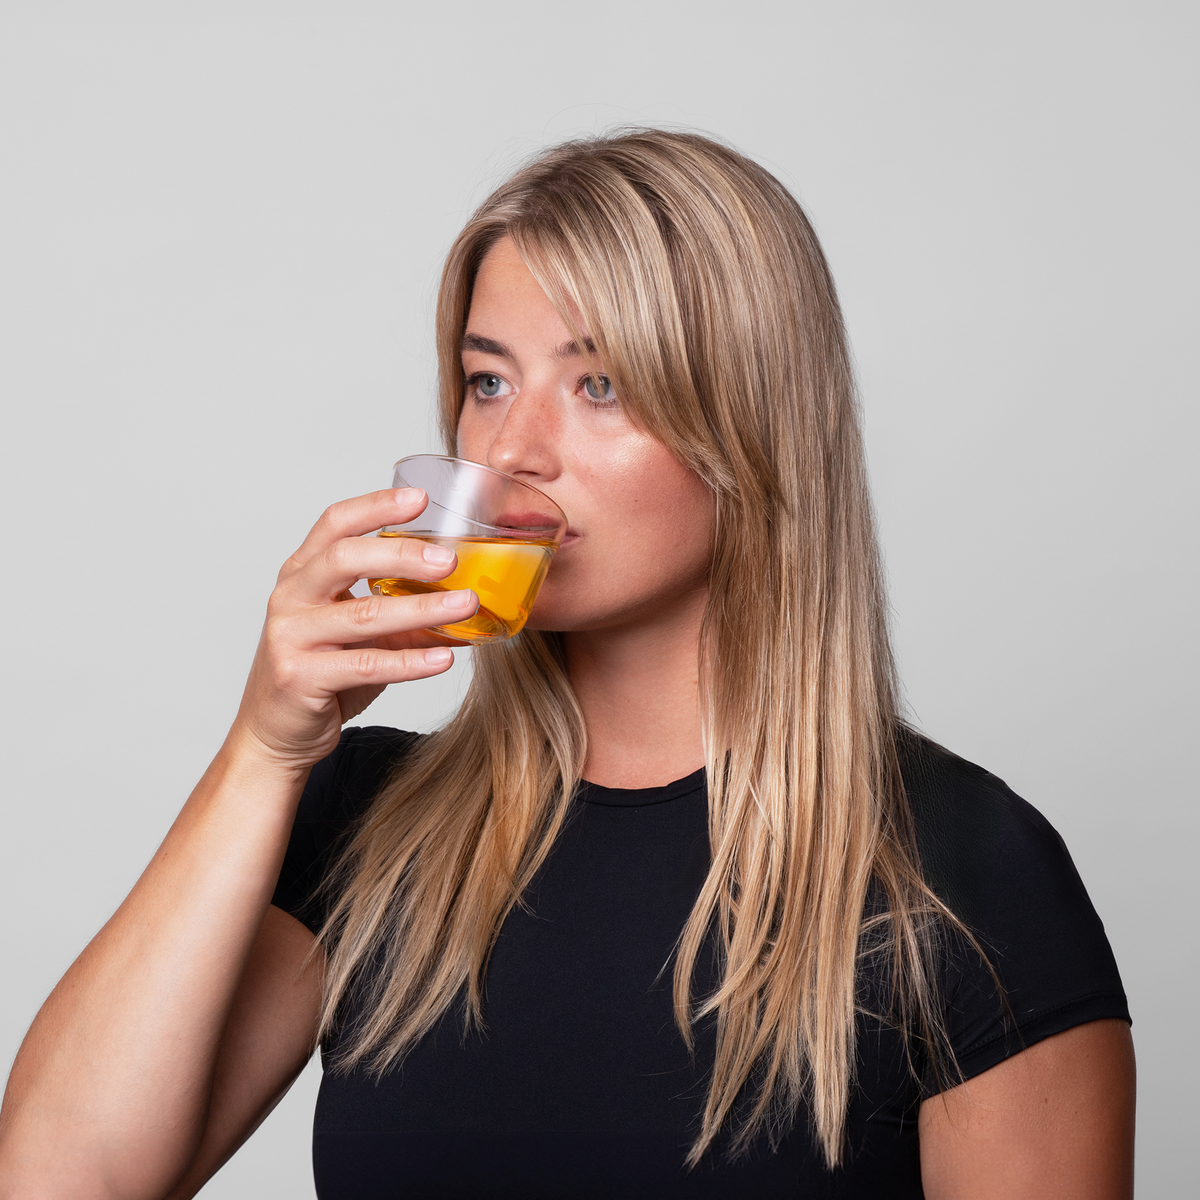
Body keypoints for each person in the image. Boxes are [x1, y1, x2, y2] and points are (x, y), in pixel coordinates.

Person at [0, 130, 1134, 1199]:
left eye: (600, 385)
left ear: (752, 427)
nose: (512, 450)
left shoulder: (963, 873)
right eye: (488, 381)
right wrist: (266, 748)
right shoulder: (371, 827)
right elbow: (57, 1180)